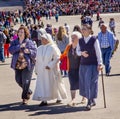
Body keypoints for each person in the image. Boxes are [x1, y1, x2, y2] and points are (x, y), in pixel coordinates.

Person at [33, 33, 67, 106]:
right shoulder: (39, 48)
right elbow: (38, 60)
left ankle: (59, 97)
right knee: (42, 85)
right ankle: (44, 100)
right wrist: (36, 69)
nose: (42, 40)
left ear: (48, 40)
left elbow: (58, 57)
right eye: (41, 39)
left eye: (44, 39)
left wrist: (50, 65)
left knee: (55, 84)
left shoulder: (53, 47)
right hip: (42, 70)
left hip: (51, 70)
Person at [76, 24, 103, 111]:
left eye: (84, 29)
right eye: (82, 29)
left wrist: (100, 63)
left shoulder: (94, 40)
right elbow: (77, 51)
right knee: (84, 83)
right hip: (83, 65)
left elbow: (98, 52)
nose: (83, 30)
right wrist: (82, 53)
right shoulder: (80, 40)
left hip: (92, 65)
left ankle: (89, 102)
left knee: (91, 83)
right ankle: (92, 99)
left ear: (89, 30)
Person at [9, 26, 37, 105]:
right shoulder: (15, 42)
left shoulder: (29, 42)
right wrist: (19, 47)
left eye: (22, 32)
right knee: (18, 80)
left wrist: (29, 51)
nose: (20, 33)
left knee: (26, 81)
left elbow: (35, 52)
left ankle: (25, 98)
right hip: (17, 65)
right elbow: (10, 50)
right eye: (19, 32)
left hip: (27, 65)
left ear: (25, 33)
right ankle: (28, 91)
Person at [61, 31, 86, 106]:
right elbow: (64, 55)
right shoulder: (69, 46)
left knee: (82, 83)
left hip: (80, 68)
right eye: (71, 37)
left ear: (79, 38)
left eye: (74, 37)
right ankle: (73, 99)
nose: (72, 39)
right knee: (72, 84)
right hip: (71, 68)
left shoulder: (82, 47)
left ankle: (84, 98)